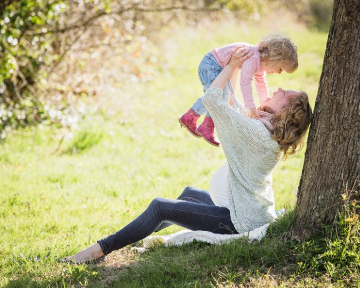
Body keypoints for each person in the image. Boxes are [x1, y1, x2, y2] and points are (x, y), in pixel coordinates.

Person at [61, 47, 311, 264]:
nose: (279, 88)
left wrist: (233, 66)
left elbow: (213, 99)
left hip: (239, 220)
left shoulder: (256, 133)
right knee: (188, 194)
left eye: (285, 94)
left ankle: (100, 250)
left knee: (161, 207)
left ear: (285, 113)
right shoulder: (266, 131)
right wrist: (235, 68)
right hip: (245, 209)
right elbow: (234, 106)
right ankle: (129, 237)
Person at [179, 34, 298, 147]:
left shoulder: (260, 62)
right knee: (218, 96)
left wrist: (264, 102)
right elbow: (245, 82)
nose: (278, 73)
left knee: (217, 96)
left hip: (213, 65)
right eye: (281, 69)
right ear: (275, 59)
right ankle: (205, 125)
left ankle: (192, 118)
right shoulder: (254, 58)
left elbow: (261, 83)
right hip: (211, 65)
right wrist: (250, 108)